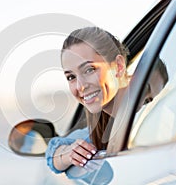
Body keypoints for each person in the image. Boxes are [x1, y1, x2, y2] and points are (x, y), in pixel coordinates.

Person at [45, 26, 130, 175]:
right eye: (71, 77)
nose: (80, 86)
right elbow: (53, 151)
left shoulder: (147, 115)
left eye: (89, 70)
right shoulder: (103, 128)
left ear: (118, 66)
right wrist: (69, 153)